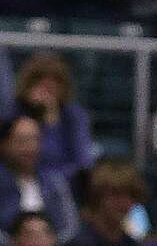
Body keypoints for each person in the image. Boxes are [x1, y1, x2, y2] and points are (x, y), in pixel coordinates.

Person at [13, 51, 96, 183]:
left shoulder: (75, 115)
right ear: (28, 84)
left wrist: (51, 122)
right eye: (40, 80)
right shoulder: (12, 111)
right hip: (16, 183)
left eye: (55, 81)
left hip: (62, 185)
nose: (48, 87)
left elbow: (84, 162)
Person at [0, 114, 78, 241]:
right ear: (4, 144)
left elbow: (70, 227)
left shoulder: (55, 181)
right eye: (22, 140)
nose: (29, 147)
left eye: (34, 139)